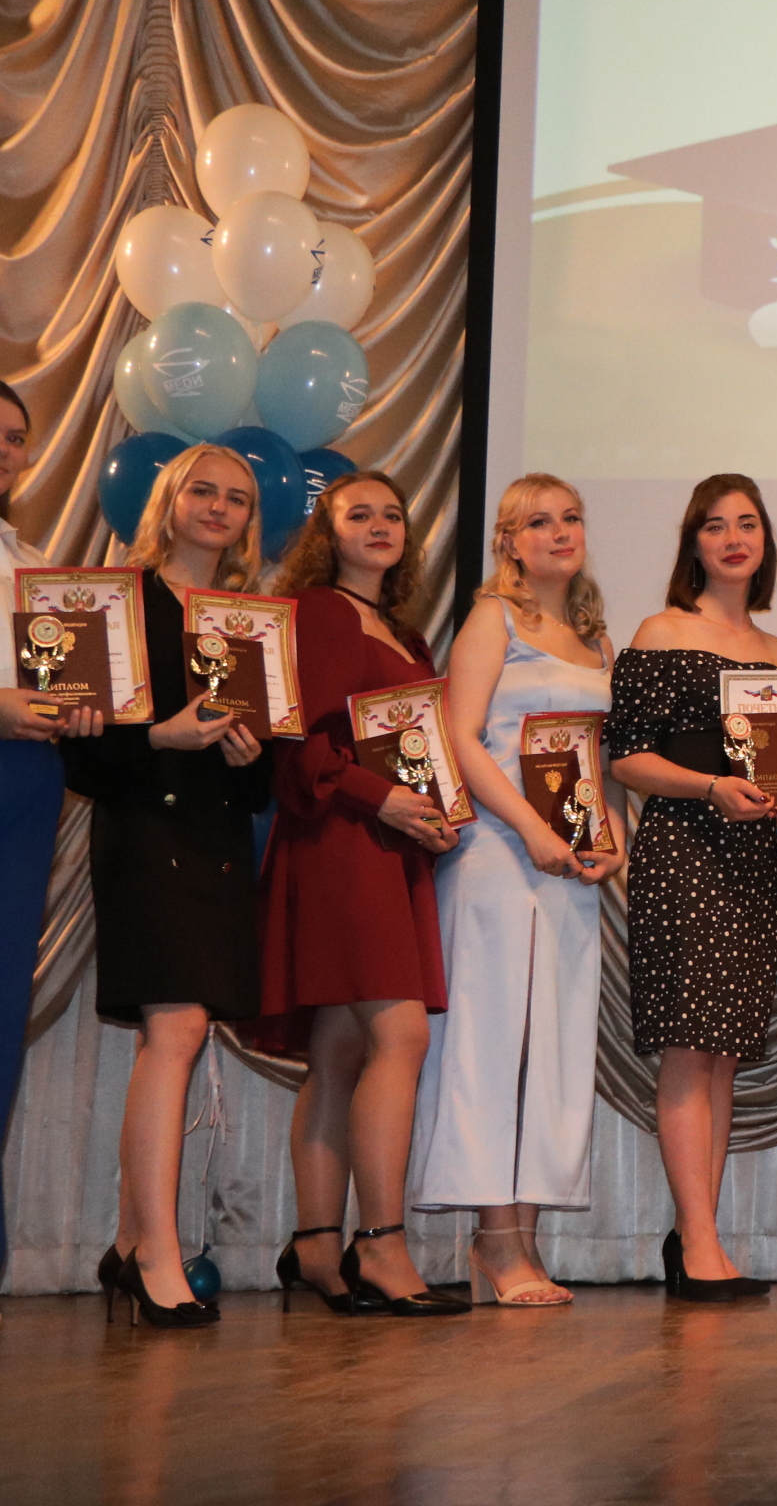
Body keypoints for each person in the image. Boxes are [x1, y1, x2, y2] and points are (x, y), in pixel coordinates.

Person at [61, 445, 268, 1328]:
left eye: (237, 498)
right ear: (168, 501)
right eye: (203, 491)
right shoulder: (115, 603)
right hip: (145, 831)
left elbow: (264, 779)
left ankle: (126, 1242)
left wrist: (251, 755)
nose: (218, 507)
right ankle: (156, 1254)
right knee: (176, 1029)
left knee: (177, 1032)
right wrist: (158, 736)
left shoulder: (250, 621)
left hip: (217, 841)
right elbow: (79, 750)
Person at [256, 471, 468, 1317]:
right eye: (359, 514)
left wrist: (436, 815)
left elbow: (415, 749)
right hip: (342, 842)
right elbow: (300, 745)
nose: (380, 526)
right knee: (401, 1036)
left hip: (388, 844)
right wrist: (384, 800)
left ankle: (316, 1245)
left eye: (392, 514)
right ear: (328, 532)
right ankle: (379, 1245)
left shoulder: (404, 632)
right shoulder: (320, 610)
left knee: (340, 1051)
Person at [409, 475, 624, 1306]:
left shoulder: (594, 640)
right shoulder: (491, 619)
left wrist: (607, 834)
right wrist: (531, 828)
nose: (560, 532)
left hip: (568, 866)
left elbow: (596, 760)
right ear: (509, 542)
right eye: (539, 522)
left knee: (552, 1047)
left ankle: (522, 1239)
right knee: (494, 1041)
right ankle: (495, 1240)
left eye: (571, 517)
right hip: (498, 857)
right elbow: (460, 738)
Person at [606, 473, 777, 1302]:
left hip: (751, 858)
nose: (733, 539)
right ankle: (699, 1242)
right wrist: (710, 787)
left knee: (723, 1053)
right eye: (715, 526)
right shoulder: (661, 630)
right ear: (693, 543)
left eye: (746, 524)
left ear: (765, 542)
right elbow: (625, 756)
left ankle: (700, 1237)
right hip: (683, 849)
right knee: (690, 1047)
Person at [0, 380, 105, 1291]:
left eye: (15, 437)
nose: (6, 450)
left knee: (1, 1009)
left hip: (28, 785)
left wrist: (78, 712)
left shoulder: (32, 566)